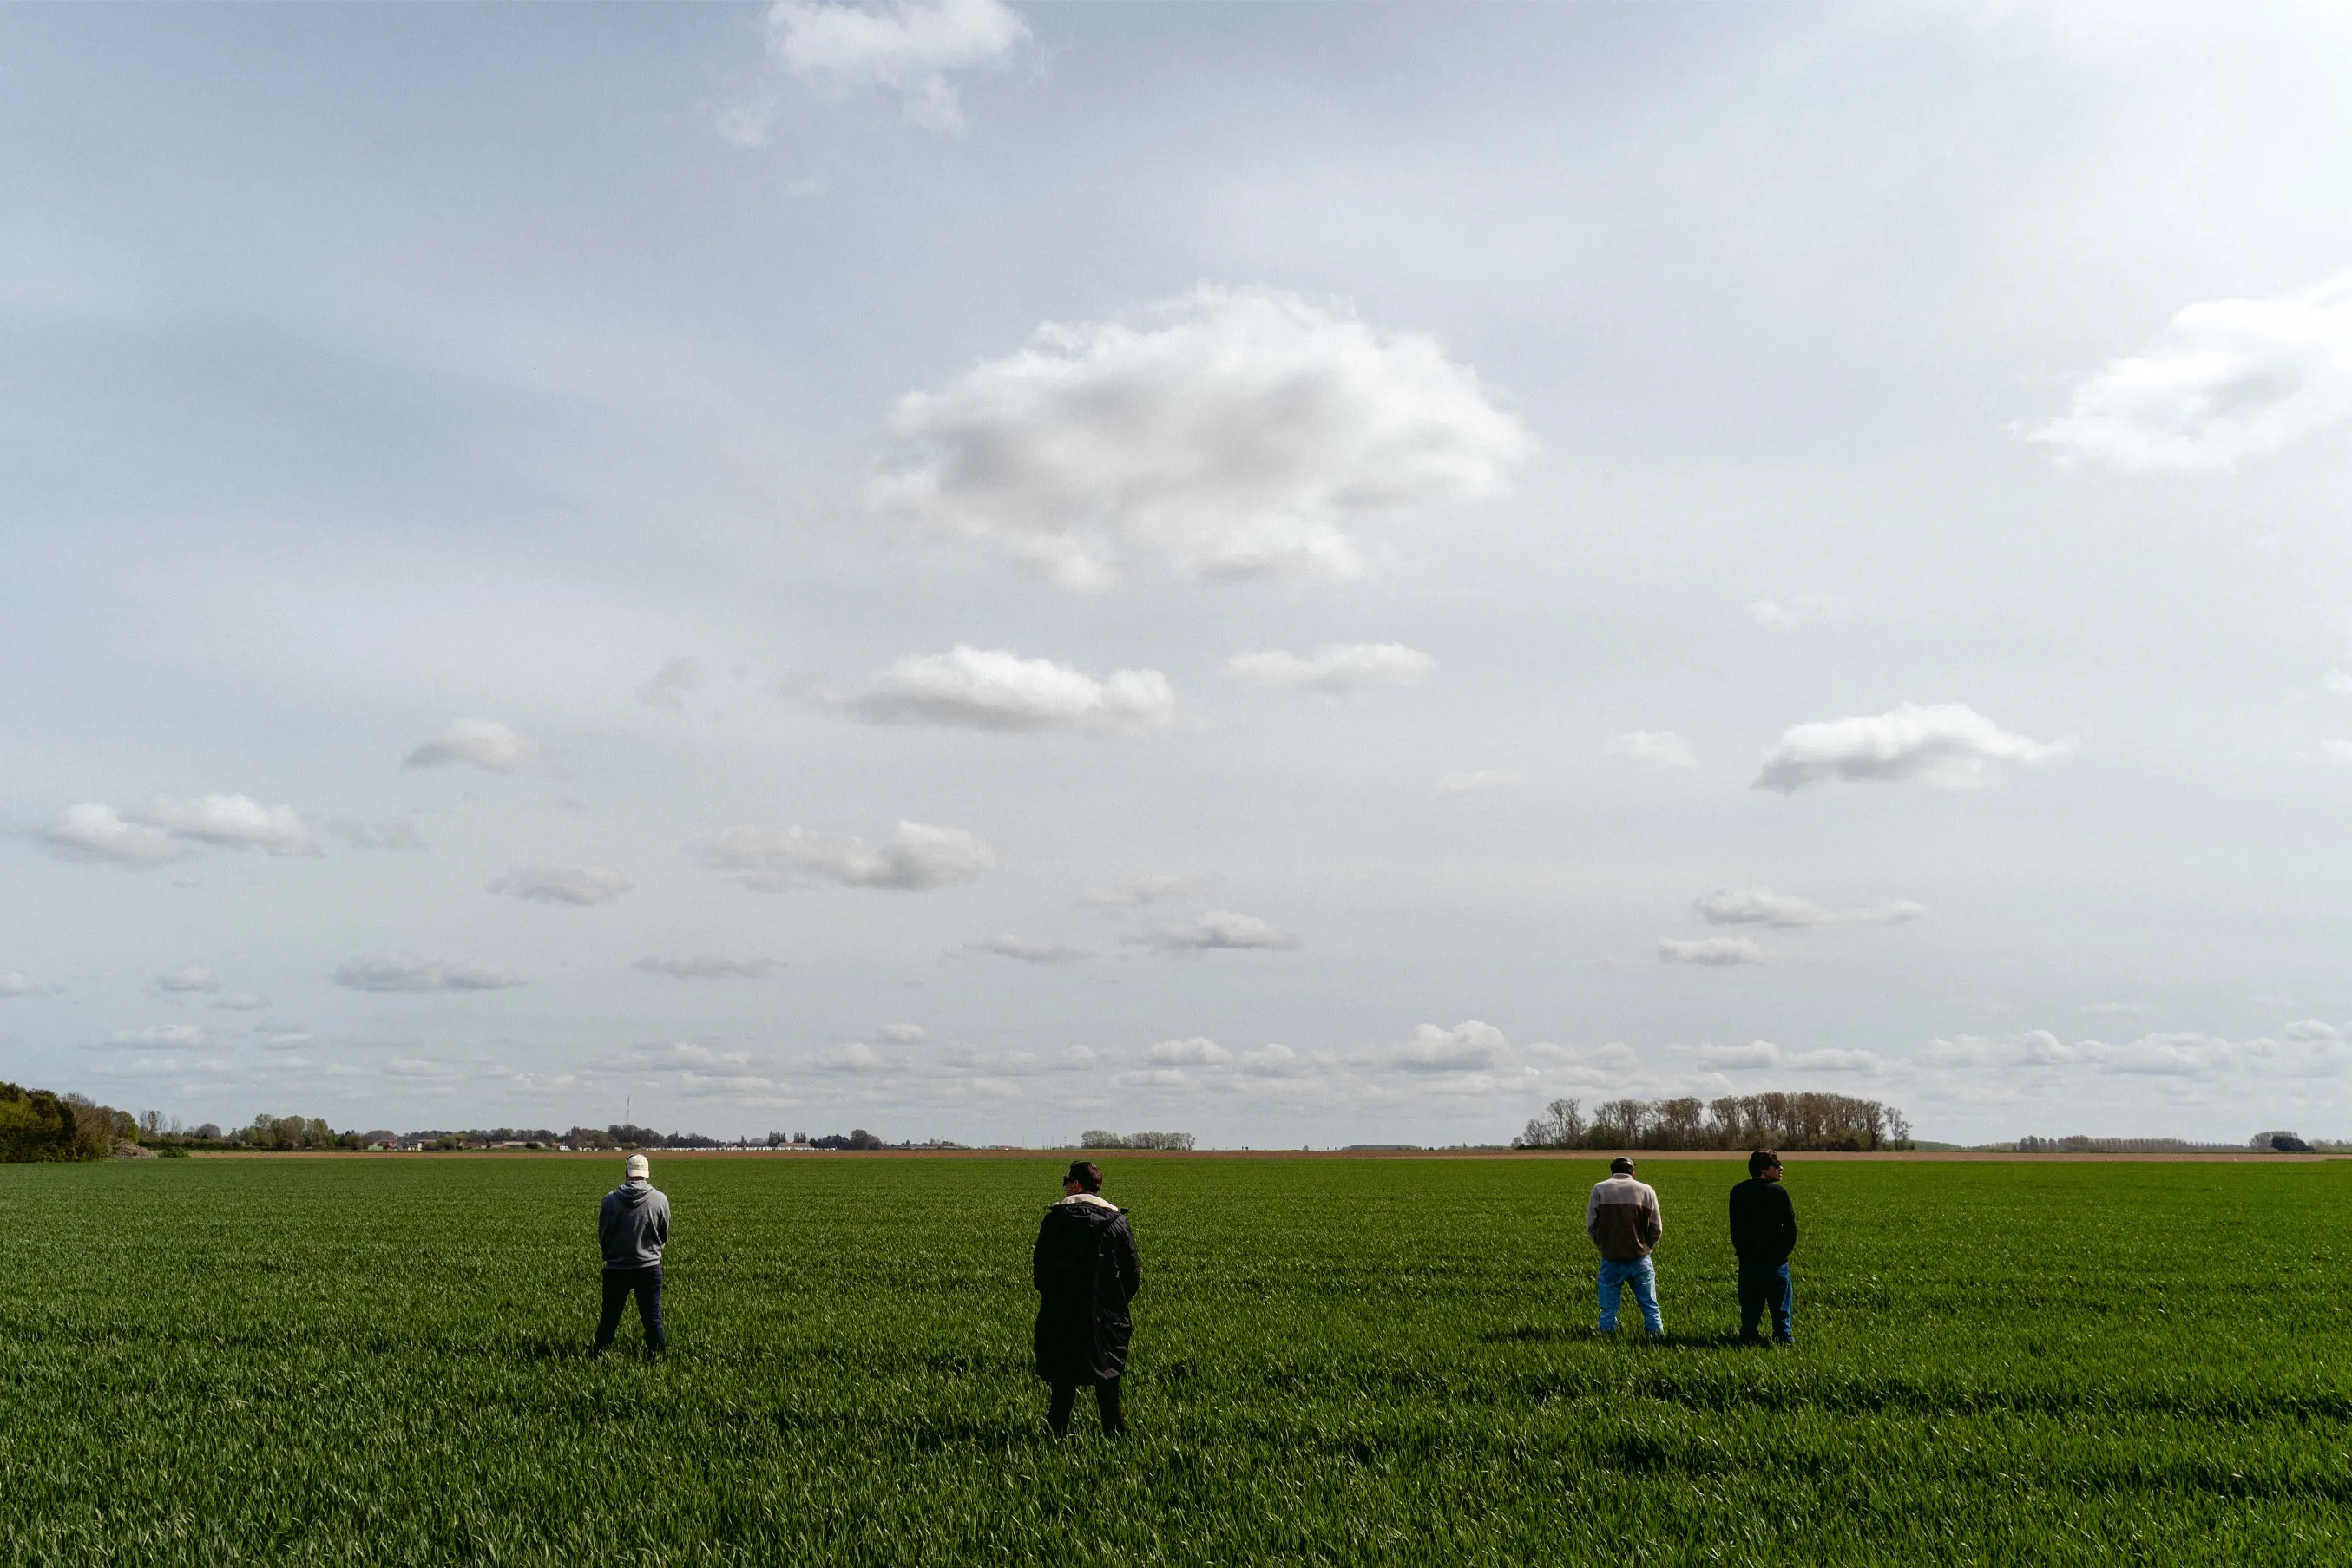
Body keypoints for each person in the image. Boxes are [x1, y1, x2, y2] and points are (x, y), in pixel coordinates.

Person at [1032, 1159, 1140, 1437]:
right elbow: (1132, 1276)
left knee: (1061, 1393)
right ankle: (1118, 1449)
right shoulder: (1118, 1222)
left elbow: (1041, 1273)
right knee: (1109, 1393)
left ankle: (1050, 1446)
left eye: (1066, 1181)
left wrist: (1055, 1301)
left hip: (1060, 1316)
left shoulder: (1055, 1220)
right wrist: (1113, 1306)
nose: (1065, 1186)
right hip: (1106, 1319)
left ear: (1077, 1185)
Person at [592, 1152, 671, 1358]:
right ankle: (657, 1357)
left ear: (626, 1173)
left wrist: (612, 1256)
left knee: (609, 1318)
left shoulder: (609, 1201)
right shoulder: (660, 1199)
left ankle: (598, 1357)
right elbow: (663, 1234)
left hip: (616, 1269)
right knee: (652, 1318)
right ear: (646, 1174)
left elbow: (603, 1234)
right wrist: (652, 1252)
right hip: (649, 1268)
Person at [1586, 1155, 1665, 1338]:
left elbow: (1591, 1225)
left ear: (1612, 1172)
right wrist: (1646, 1248)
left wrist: (1603, 1247)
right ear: (1632, 1172)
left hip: (1611, 1259)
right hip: (1640, 1259)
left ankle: (1606, 1339)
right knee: (1650, 1306)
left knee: (1608, 1308)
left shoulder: (1600, 1189)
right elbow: (1656, 1228)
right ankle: (1657, 1340)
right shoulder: (1646, 1190)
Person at [1729, 1148, 1797, 1345]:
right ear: (1764, 1169)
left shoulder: (1738, 1192)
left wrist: (1743, 1251)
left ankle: (1748, 1340)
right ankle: (1783, 1341)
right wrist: (1782, 1253)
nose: (1781, 1168)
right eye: (1777, 1165)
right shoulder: (1779, 1193)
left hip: (1748, 1262)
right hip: (1775, 1263)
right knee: (1781, 1311)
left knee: (1750, 1311)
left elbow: (1735, 1228)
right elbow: (1791, 1230)